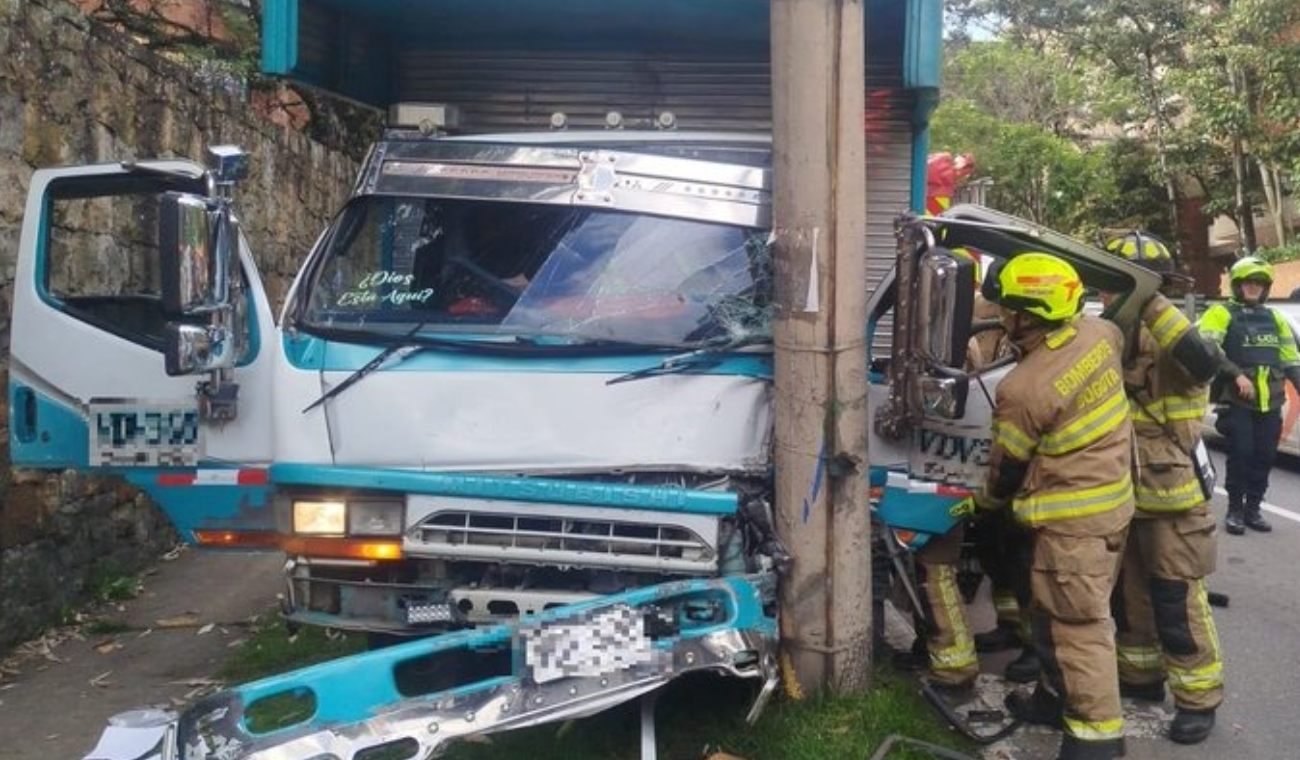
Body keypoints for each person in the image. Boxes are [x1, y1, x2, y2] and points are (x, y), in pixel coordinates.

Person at [975, 252, 1133, 760]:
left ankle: (1098, 740)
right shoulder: (1100, 336)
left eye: (1006, 309)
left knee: (1080, 629)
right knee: (1051, 614)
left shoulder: (1023, 389)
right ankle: (1052, 697)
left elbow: (1008, 468)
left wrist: (984, 503)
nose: (1000, 316)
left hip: (1072, 523)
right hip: (1110, 507)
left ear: (1024, 314)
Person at [1102, 231, 1225, 745]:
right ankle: (1141, 678)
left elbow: (1203, 362)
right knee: (1129, 600)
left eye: (1120, 287)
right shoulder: (1106, 336)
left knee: (1176, 601)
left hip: (1173, 500)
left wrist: (1150, 303)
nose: (1111, 298)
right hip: (1121, 494)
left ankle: (1199, 697)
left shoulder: (1173, 336)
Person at [1198, 256, 1300, 534]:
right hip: (1237, 401)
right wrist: (1236, 374)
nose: (1253, 287)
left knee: (1265, 456)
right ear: (1237, 285)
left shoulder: (1276, 318)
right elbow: (1208, 348)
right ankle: (1235, 510)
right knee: (1241, 454)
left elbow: (1291, 360)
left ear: (1265, 288)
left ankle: (1254, 509)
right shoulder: (1221, 313)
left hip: (1272, 401)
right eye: (1248, 282)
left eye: (1259, 283)